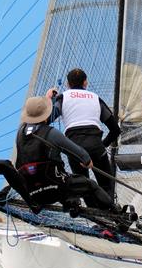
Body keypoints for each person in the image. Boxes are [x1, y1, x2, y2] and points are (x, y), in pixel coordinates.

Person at [15, 96, 118, 213]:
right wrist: (87, 162)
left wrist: (49, 98)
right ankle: (114, 212)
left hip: (31, 193)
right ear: (45, 116)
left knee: (68, 188)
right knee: (90, 185)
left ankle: (72, 203)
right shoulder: (51, 133)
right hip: (55, 188)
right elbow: (82, 155)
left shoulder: (20, 134)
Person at [46, 68, 121, 199]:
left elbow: (48, 119)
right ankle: (111, 211)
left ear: (68, 85)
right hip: (96, 147)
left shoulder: (62, 98)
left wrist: (49, 99)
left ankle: (96, 215)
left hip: (74, 148)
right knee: (107, 188)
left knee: (85, 188)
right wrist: (102, 145)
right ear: (85, 82)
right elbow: (115, 130)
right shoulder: (95, 98)